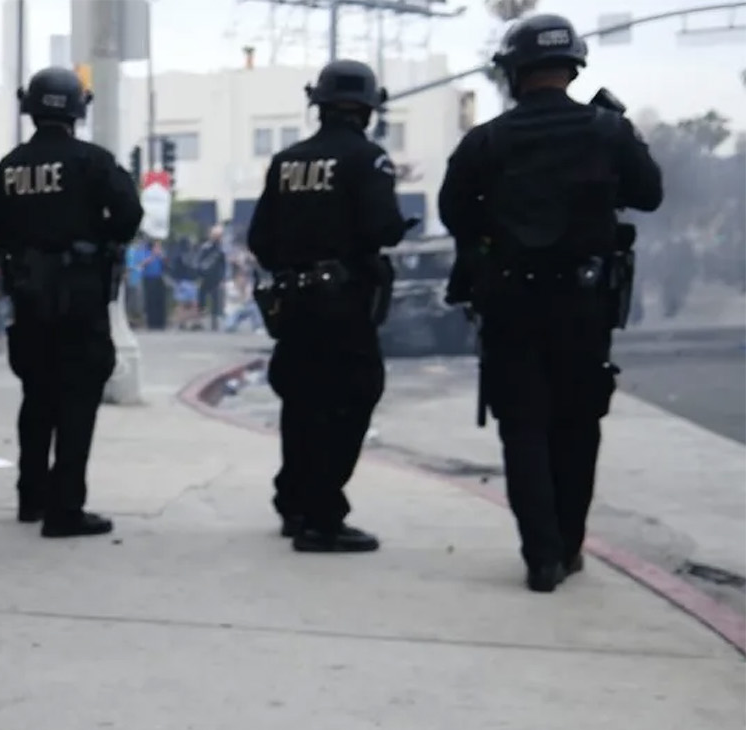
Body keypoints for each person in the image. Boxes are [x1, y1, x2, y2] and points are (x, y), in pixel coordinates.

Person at [438, 13, 663, 591]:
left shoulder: (486, 140)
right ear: (573, 67)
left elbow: (453, 212)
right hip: (584, 305)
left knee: (524, 428)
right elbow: (650, 194)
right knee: (578, 425)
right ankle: (568, 544)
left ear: (514, 73)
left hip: (511, 302)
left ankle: (541, 558)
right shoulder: (608, 130)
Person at [246, 58, 412, 553]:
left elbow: (260, 239)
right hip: (343, 307)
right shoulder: (369, 159)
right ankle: (322, 516)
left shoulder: (287, 162)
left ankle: (294, 502)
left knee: (300, 403)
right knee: (351, 400)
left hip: (294, 306)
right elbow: (382, 229)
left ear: (317, 104)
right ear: (368, 108)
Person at [0, 66, 144, 538]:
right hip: (80, 302)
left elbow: (1, 236)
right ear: (78, 108)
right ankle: (65, 509)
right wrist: (97, 242)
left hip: (30, 303)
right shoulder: (93, 162)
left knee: (37, 399)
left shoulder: (8, 168)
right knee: (77, 404)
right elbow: (129, 215)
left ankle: (31, 498)